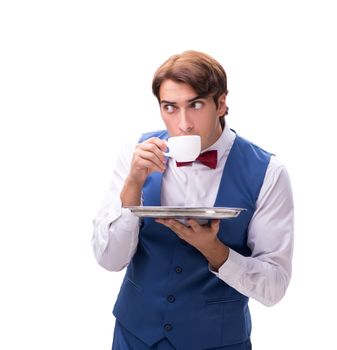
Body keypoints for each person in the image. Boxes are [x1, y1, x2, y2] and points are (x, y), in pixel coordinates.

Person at [92, 50, 294, 350]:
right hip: (134, 336)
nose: (183, 123)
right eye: (170, 107)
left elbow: (274, 287)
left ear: (221, 104)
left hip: (218, 341)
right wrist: (133, 183)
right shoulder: (137, 154)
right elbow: (109, 260)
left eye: (195, 105)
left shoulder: (269, 173)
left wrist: (215, 250)